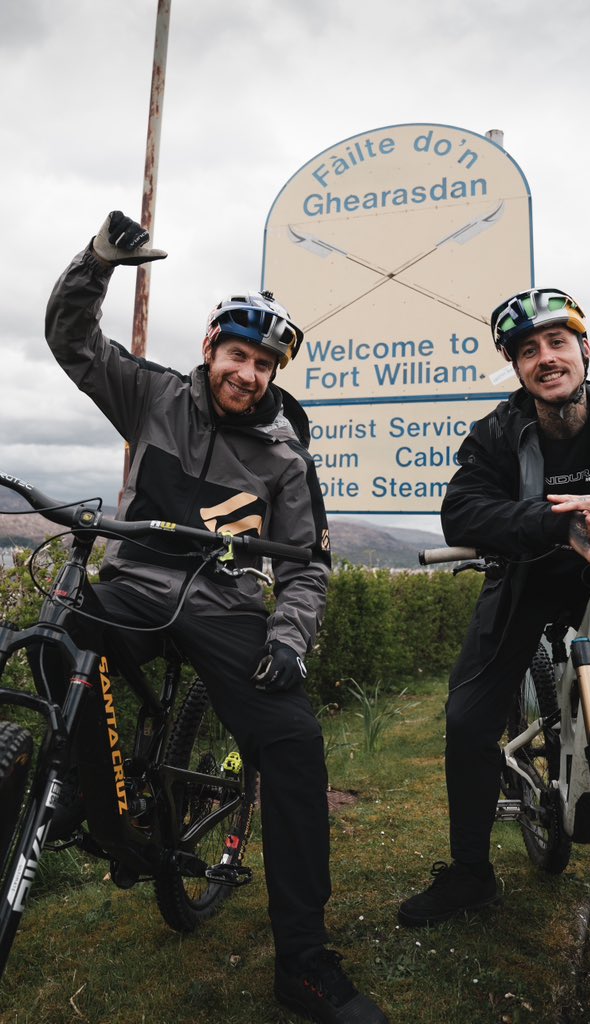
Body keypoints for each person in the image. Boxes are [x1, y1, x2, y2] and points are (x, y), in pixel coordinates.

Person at [44, 211, 389, 1024]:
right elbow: (69, 339)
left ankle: (303, 964)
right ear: (210, 350)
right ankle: (84, 796)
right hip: (133, 585)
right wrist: (97, 262)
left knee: (296, 752)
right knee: (56, 632)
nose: (250, 373)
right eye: (238, 355)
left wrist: (289, 638)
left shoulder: (286, 460)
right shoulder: (155, 397)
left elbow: (309, 567)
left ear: (274, 373)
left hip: (229, 610)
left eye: (265, 363)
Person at [398, 286, 590, 927]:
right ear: (517, 366)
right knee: (470, 719)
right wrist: (562, 524)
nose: (546, 358)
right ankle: (471, 872)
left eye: (558, 342)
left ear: (583, 349)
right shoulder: (499, 431)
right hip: (525, 579)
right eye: (529, 350)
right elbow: (461, 511)